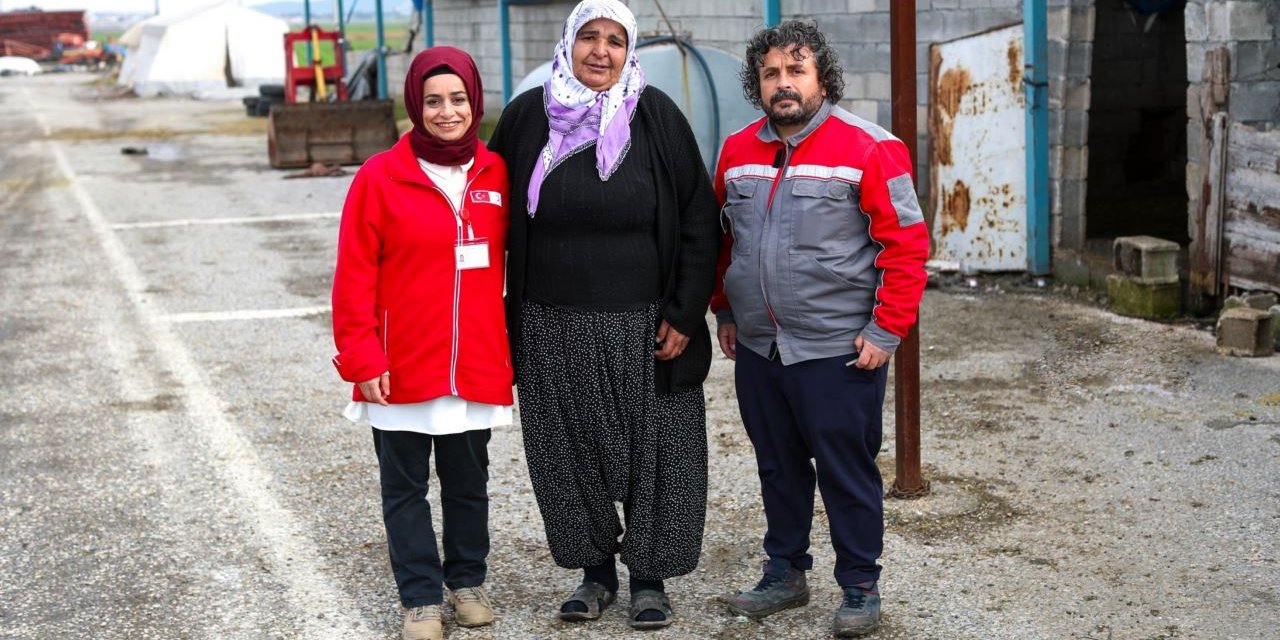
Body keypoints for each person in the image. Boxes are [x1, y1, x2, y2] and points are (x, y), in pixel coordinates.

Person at [485, 0, 720, 630]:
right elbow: (484, 208)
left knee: (659, 454)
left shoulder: (656, 116)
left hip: (647, 328)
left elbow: (699, 217)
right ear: (567, 43)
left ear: (629, 50)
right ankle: (594, 576)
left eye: (614, 40)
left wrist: (686, 312)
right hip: (548, 325)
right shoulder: (527, 117)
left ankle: (649, 580)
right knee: (567, 453)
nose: (600, 51)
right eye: (588, 37)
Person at [711, 20, 929, 638]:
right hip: (760, 348)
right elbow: (723, 242)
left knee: (845, 469)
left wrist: (886, 331)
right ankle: (785, 573)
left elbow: (906, 248)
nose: (783, 84)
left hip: (840, 350)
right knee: (777, 465)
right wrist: (725, 311)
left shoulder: (871, 148)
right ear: (758, 84)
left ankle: (860, 585)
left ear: (822, 78)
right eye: (771, 73)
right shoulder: (736, 151)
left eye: (795, 70)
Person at [330, 47, 510, 640]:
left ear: (474, 102)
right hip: (401, 364)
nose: (446, 111)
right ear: (415, 105)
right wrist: (362, 356)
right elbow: (353, 275)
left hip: (473, 364)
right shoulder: (379, 176)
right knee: (404, 488)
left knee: (468, 482)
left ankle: (466, 582)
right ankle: (419, 600)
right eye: (433, 100)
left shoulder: (496, 172)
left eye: (458, 99)